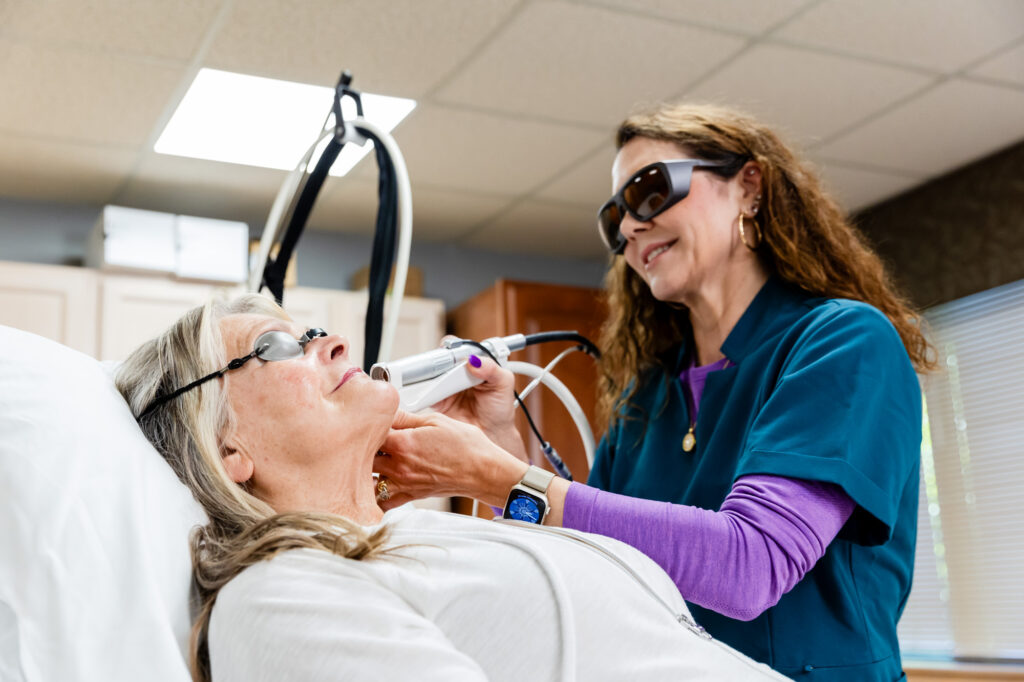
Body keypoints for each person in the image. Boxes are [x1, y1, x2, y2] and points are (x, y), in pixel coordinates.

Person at [374, 102, 931, 681]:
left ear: (749, 187)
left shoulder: (844, 343)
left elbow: (751, 566)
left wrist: (488, 474)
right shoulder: (650, 397)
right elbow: (589, 568)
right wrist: (497, 444)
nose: (629, 227)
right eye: (615, 215)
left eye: (649, 191)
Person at [115, 294, 786, 682]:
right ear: (225, 445)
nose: (337, 345)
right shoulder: (275, 597)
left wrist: (498, 460)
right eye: (280, 346)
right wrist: (497, 477)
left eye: (317, 330)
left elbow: (569, 636)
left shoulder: (412, 536)